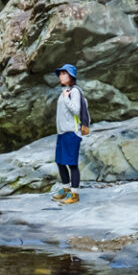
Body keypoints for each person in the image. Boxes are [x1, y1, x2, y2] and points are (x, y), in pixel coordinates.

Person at [52, 63, 91, 204]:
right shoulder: (66, 91)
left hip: (71, 133)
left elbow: (76, 109)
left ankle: (74, 194)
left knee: (71, 164)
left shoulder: (74, 91)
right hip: (62, 133)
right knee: (60, 162)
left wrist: (66, 98)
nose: (61, 76)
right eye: (60, 74)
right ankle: (66, 189)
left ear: (71, 76)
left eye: (64, 74)